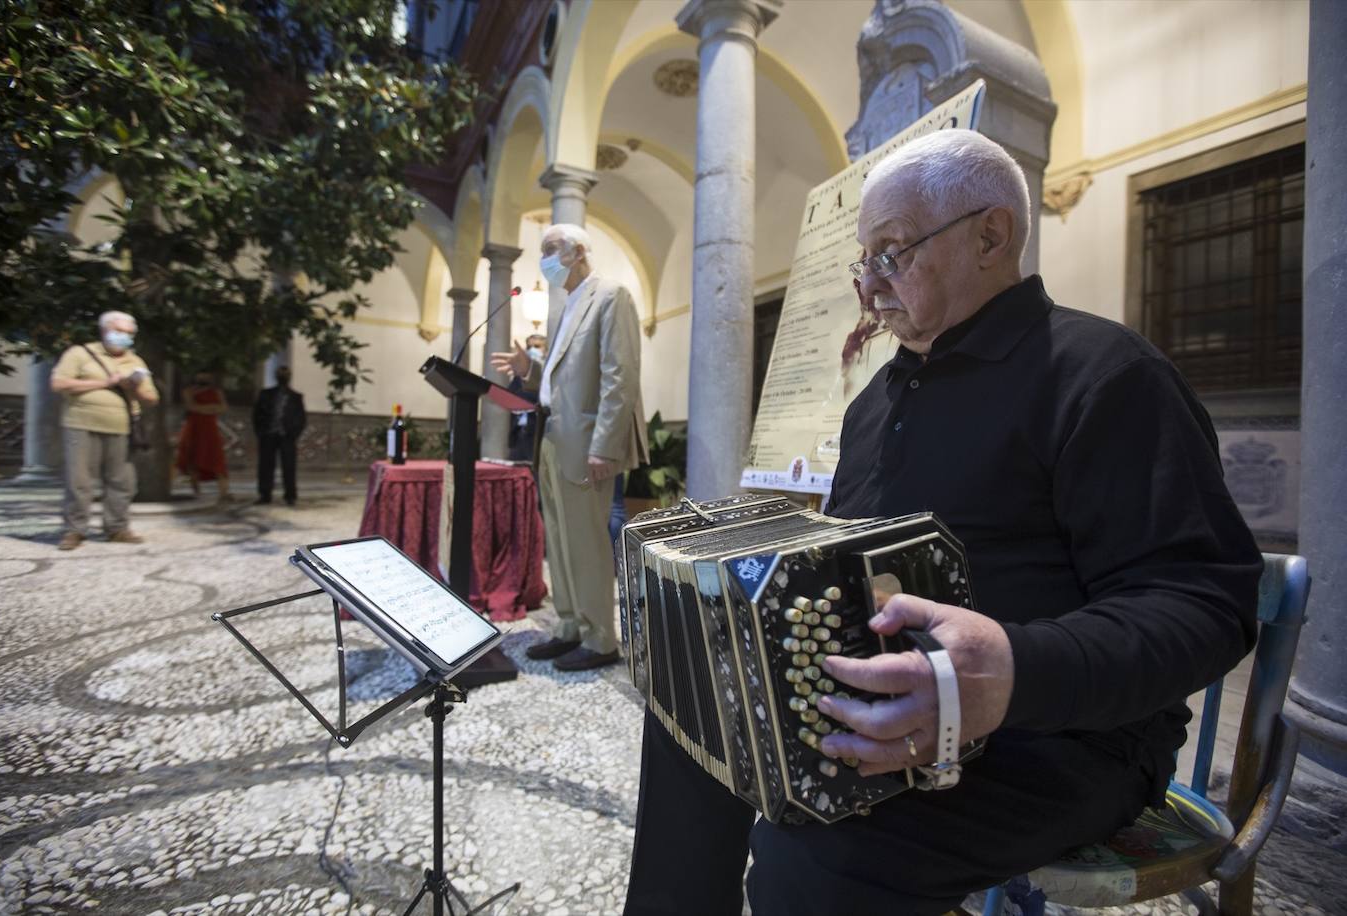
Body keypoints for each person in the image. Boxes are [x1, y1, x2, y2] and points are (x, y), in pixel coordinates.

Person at [622, 129, 1261, 916]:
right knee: (692, 717)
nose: (869, 287)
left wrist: (1012, 671)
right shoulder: (872, 405)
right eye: (864, 263)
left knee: (816, 858)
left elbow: (1204, 605)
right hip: (896, 698)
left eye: (891, 254)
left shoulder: (1107, 375)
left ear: (990, 236)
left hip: (1065, 740)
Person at [491, 223, 648, 672]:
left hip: (587, 442)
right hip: (552, 438)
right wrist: (529, 369)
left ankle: (600, 639)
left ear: (578, 251)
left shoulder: (611, 295)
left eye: (551, 249)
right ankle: (569, 627)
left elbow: (620, 376)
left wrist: (605, 446)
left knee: (586, 543)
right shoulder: (567, 306)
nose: (544, 259)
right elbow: (562, 379)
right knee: (558, 541)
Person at [50, 310, 160, 550]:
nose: (125, 337)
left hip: (121, 427)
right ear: (104, 330)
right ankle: (74, 530)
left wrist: (133, 387)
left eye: (129, 333)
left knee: (122, 480)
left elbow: (152, 398)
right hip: (81, 423)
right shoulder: (80, 353)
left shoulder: (135, 361)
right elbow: (59, 383)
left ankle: (117, 528)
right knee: (79, 480)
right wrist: (105, 383)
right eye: (119, 331)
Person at [252, 366, 306, 506]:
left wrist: (294, 434)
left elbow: (301, 418)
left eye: (285, 374)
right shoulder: (265, 394)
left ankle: (290, 495)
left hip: (287, 436)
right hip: (268, 434)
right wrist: (260, 432)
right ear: (276, 376)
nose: (283, 376)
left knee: (289, 466)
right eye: (281, 374)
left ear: (289, 376)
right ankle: (265, 494)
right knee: (265, 465)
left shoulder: (296, 397)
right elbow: (257, 415)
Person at [174, 372, 230, 501]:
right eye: (201, 375)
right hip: (194, 428)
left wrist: (202, 408)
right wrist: (211, 408)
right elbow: (191, 407)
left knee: (217, 459)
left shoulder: (216, 392)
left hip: (210, 429)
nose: (204, 378)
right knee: (193, 459)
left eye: (206, 375)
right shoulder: (189, 391)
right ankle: (197, 492)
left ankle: (224, 493)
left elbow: (223, 407)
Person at [507, 333, 547, 462]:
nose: (532, 350)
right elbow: (511, 394)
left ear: (546, 350)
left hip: (537, 431)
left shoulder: (547, 374)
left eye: (537, 346)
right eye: (529, 347)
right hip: (518, 431)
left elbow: (542, 397)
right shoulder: (520, 374)